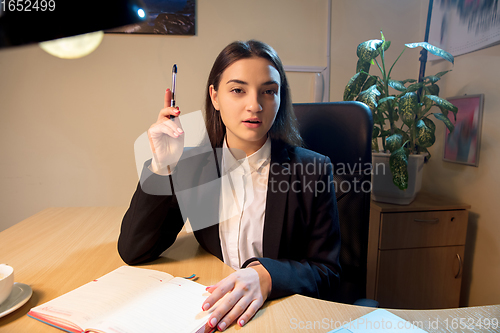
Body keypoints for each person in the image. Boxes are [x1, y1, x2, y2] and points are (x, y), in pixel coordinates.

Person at [118, 40, 341, 331]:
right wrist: (164, 166)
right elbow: (135, 250)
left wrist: (266, 276)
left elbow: (328, 270)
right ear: (215, 96)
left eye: (268, 91)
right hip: (212, 308)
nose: (255, 105)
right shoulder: (194, 166)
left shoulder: (313, 170)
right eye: (238, 90)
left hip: (279, 313)